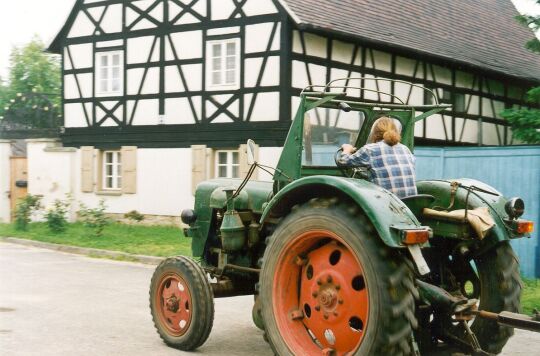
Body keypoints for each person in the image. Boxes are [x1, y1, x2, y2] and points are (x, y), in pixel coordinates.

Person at [338, 116, 417, 199]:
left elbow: (343, 162)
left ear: (374, 133)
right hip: (409, 203)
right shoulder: (405, 149)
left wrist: (347, 150)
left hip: (388, 203)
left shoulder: (370, 149)